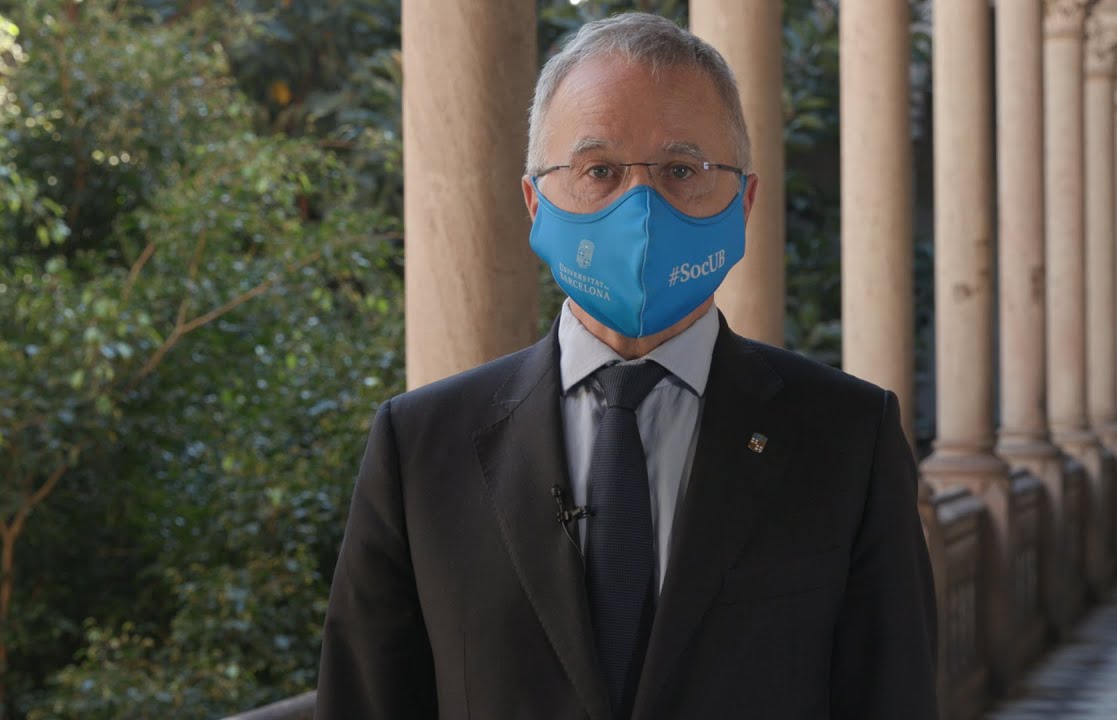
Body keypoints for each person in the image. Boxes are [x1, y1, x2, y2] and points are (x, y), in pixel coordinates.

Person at [316, 12, 937, 720]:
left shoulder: (850, 438)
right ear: (535, 201)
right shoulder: (419, 447)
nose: (641, 209)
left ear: (744, 201)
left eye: (682, 170)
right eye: (599, 170)